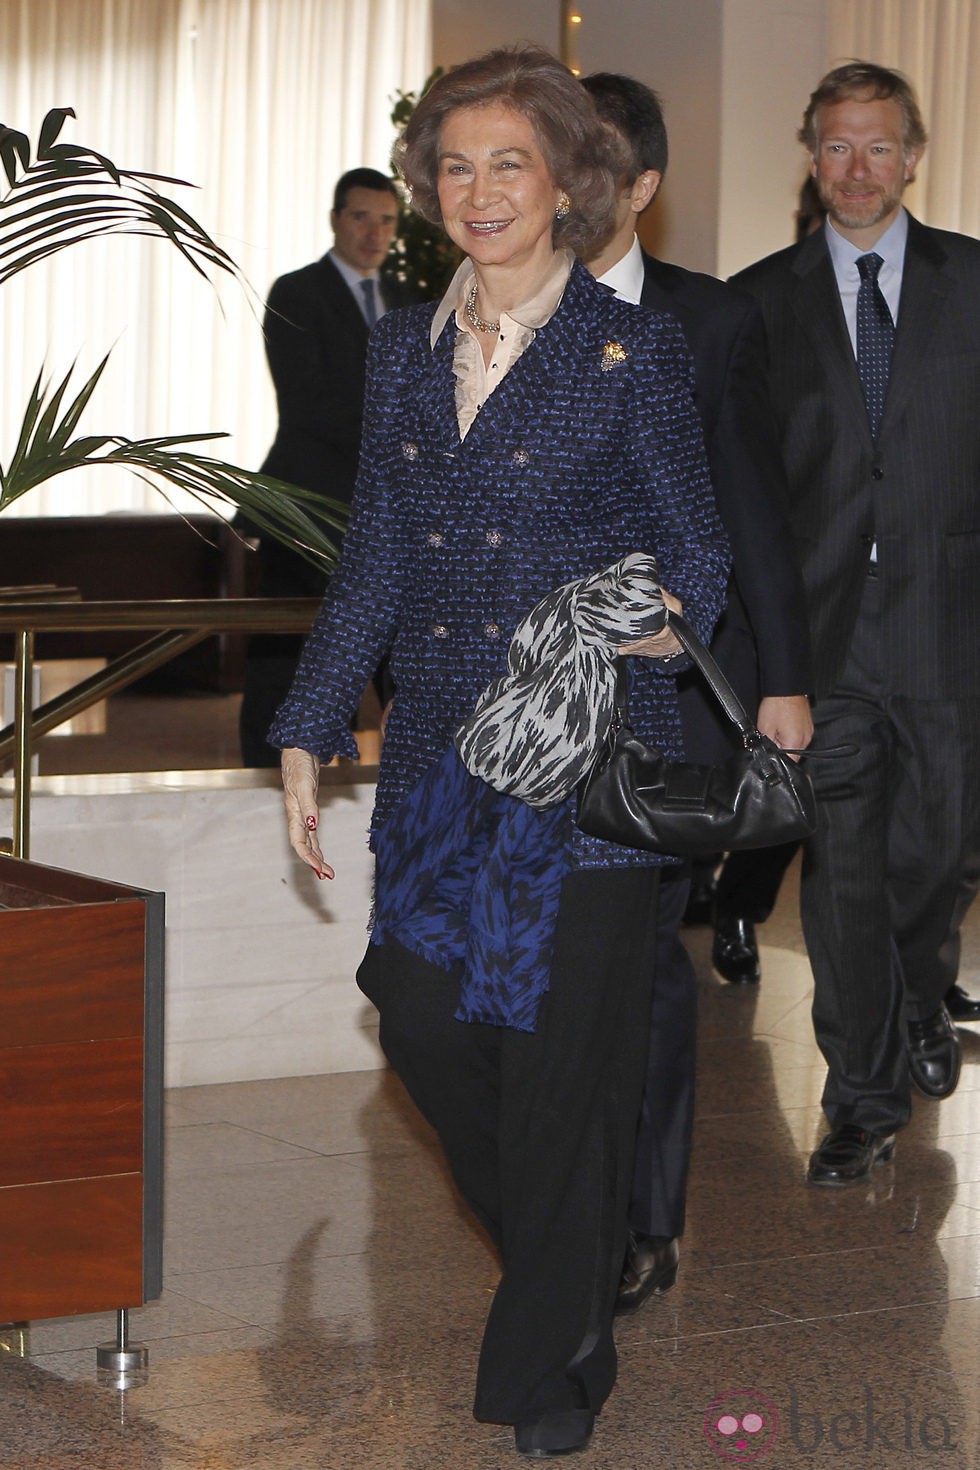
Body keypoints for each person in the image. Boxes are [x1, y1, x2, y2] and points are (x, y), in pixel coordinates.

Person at [269, 45, 730, 1459]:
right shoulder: (404, 346)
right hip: (436, 771)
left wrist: (652, 624)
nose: (478, 191)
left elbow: (696, 551)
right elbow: (378, 560)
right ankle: (573, 1258)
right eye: (454, 166)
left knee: (560, 1064)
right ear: (429, 188)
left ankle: (550, 1376)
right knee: (417, 1013)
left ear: (567, 182)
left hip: (585, 760)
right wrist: (308, 722)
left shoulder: (632, 347)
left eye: (508, 164)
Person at [579, 72, 812, 1312]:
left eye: (588, 160)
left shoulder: (705, 322)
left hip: (657, 704)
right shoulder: (473, 304)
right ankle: (556, 1191)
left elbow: (751, 509)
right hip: (508, 707)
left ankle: (641, 1215)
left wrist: (780, 682)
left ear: (642, 185)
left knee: (637, 960)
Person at [732, 61, 980, 1186]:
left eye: (876, 146)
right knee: (840, 872)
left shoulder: (973, 282)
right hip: (822, 637)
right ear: (811, 154)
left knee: (932, 860)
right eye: (834, 145)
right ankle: (860, 1094)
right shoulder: (761, 300)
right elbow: (738, 479)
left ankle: (920, 992)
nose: (854, 169)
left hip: (949, 626)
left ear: (911, 155)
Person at [238, 168, 414, 766]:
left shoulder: (409, 297)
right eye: (361, 217)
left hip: (390, 508)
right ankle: (267, 768)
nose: (374, 232)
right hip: (306, 504)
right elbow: (309, 402)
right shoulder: (296, 292)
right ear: (337, 219)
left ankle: (411, 774)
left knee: (402, 646)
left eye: (387, 220)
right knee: (289, 652)